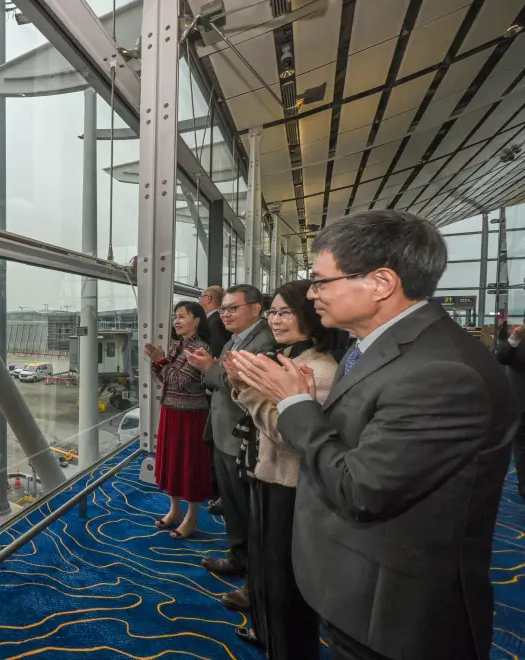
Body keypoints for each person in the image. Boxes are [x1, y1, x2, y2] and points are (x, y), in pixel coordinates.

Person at [228, 210, 516, 660]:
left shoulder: (442, 372)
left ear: (381, 283)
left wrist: (295, 403)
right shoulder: (374, 348)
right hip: (357, 587)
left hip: (394, 614)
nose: (312, 294)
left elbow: (361, 489)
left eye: (321, 281)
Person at [225, 280, 338, 657]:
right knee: (267, 570)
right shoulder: (290, 359)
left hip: (290, 486)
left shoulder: (317, 370)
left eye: (285, 311)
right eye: (273, 312)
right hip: (269, 475)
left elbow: (290, 434)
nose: (275, 319)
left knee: (285, 581)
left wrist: (248, 390)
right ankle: (268, 634)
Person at [185, 284, 275, 612]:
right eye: (222, 309)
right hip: (224, 434)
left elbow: (239, 386)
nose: (224, 314)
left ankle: (256, 576)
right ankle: (238, 558)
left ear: (255, 308)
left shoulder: (264, 342)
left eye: (232, 308)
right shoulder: (237, 339)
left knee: (251, 511)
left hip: (243, 438)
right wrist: (210, 369)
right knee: (234, 508)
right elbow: (218, 381)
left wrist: (209, 367)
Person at [144, 301, 214, 540]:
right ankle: (174, 510)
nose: (177, 321)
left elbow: (180, 380)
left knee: (190, 465)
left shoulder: (200, 349)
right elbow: (164, 378)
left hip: (191, 415)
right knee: (172, 462)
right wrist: (159, 362)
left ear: (197, 320)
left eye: (182, 316)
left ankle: (191, 517)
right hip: (171, 410)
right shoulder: (178, 344)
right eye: (175, 316)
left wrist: (161, 361)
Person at [199, 285, 232, 514]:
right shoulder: (218, 324)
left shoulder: (214, 324)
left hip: (219, 391)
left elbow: (217, 359)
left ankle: (216, 491)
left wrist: (210, 376)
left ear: (208, 299)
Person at [495, 321, 525, 499]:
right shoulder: (518, 342)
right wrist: (515, 337)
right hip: (521, 405)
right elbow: (501, 357)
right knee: (521, 447)